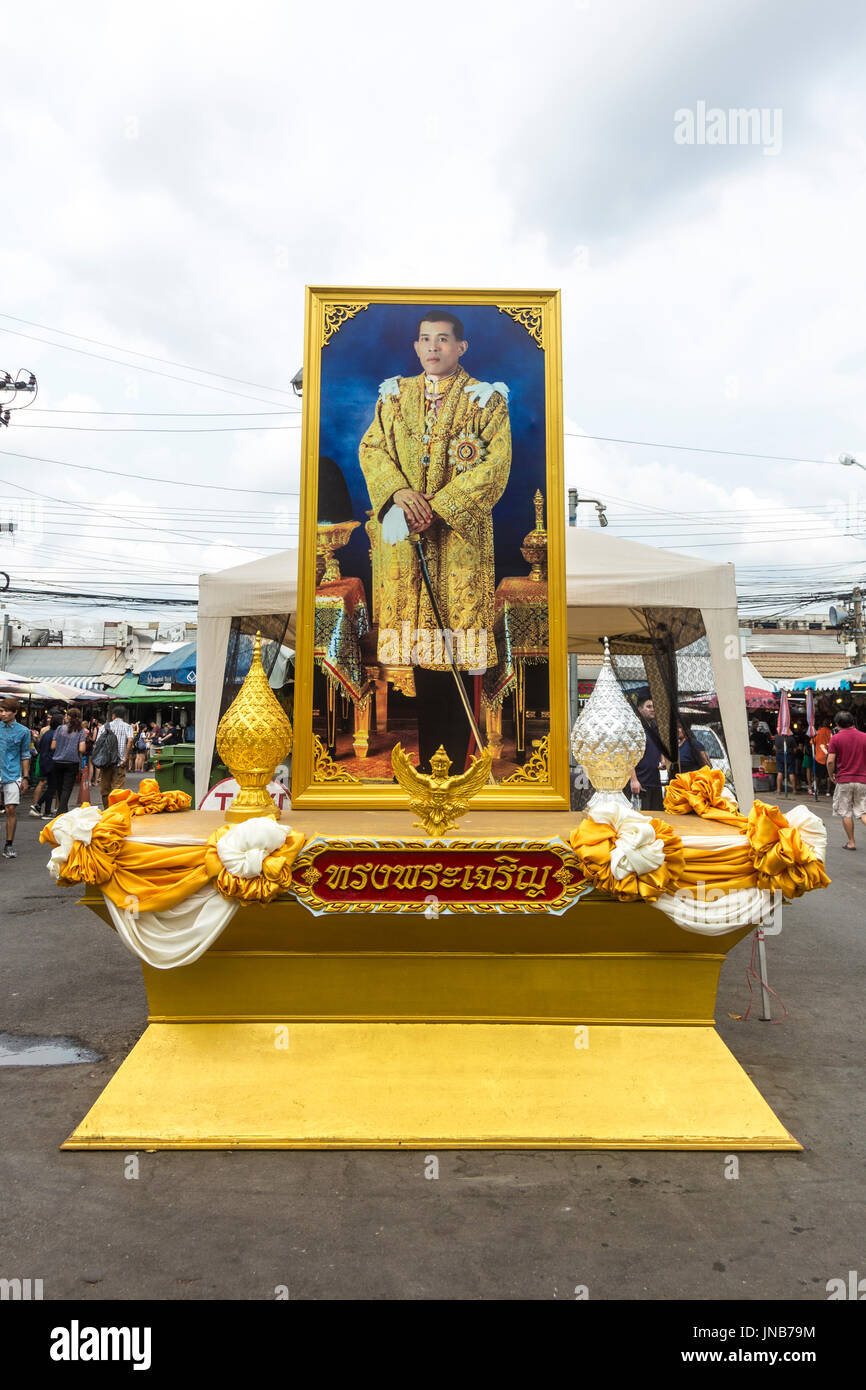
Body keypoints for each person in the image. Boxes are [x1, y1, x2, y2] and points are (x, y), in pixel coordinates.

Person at [358, 309, 511, 774]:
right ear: (416, 345)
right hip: (407, 544)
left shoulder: (486, 400)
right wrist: (400, 495)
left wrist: (437, 507)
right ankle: (430, 765)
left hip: (459, 547)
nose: (433, 348)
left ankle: (456, 764)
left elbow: (495, 467)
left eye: (443, 340)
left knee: (455, 651)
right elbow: (372, 449)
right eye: (425, 340)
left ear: (460, 347)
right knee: (424, 654)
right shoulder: (394, 395)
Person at [826, 710, 866, 850]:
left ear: (837, 724)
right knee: (862, 812)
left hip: (844, 780)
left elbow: (830, 761)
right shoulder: (864, 737)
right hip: (862, 780)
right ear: (853, 721)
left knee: (846, 812)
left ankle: (851, 842)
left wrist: (831, 775)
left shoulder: (836, 739)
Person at [0, 696, 32, 857]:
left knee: (10, 808)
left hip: (12, 774)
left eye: (6, 711)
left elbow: (25, 754)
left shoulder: (23, 732)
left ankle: (9, 844)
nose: (3, 714)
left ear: (15, 712)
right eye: (1, 711)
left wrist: (26, 777)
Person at [628, 689, 665, 812]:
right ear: (639, 709)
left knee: (657, 817)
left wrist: (663, 760)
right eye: (648, 706)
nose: (652, 709)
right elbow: (628, 755)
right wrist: (633, 780)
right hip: (640, 783)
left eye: (654, 706)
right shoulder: (635, 729)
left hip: (655, 782)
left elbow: (660, 748)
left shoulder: (656, 728)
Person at [92, 705, 134, 806]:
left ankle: (107, 810)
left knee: (105, 788)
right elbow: (130, 741)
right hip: (120, 762)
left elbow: (97, 743)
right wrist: (126, 758)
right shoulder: (127, 727)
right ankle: (115, 811)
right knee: (118, 789)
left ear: (113, 716)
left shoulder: (104, 727)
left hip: (105, 762)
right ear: (123, 716)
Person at [51, 706, 87, 815]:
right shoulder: (81, 731)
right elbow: (82, 749)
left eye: (67, 715)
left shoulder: (59, 729)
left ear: (69, 717)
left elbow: (53, 746)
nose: (65, 717)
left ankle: (62, 810)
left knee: (60, 787)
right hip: (72, 762)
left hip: (57, 761)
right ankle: (62, 811)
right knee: (67, 788)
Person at [30, 710, 63, 819]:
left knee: (51, 786)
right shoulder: (56, 734)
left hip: (44, 761)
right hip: (52, 763)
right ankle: (38, 805)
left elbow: (39, 747)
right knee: (52, 788)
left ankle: (47, 812)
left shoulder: (47, 733)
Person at [773, 727, 797, 795]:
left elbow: (774, 747)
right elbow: (795, 749)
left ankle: (778, 790)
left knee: (780, 772)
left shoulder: (776, 737)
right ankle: (794, 790)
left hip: (779, 755)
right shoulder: (791, 738)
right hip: (789, 755)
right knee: (791, 772)